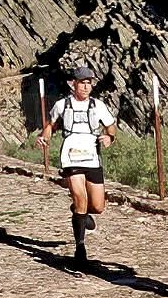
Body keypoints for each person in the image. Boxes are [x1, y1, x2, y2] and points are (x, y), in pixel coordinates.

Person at [37, 65, 117, 268]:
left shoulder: (98, 106)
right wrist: (44, 136)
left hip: (92, 157)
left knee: (97, 206)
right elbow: (50, 125)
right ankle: (80, 247)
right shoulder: (62, 105)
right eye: (82, 82)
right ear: (73, 84)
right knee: (80, 197)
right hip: (70, 157)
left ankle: (79, 212)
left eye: (89, 82)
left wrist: (109, 137)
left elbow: (110, 126)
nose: (86, 86)